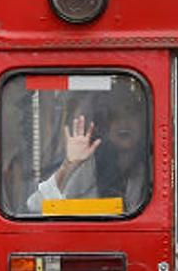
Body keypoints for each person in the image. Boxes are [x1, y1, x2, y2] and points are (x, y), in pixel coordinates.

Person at [26, 84, 150, 215]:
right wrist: (68, 165)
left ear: (142, 120)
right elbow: (35, 206)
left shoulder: (153, 167)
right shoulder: (89, 167)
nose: (123, 122)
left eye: (130, 113)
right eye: (114, 116)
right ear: (105, 126)